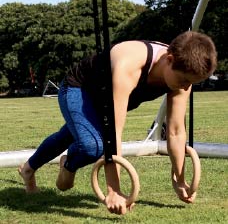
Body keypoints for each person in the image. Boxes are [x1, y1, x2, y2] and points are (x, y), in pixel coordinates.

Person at [18, 31, 217, 215]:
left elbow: (175, 132)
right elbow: (114, 133)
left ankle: (28, 168)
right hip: (79, 89)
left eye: (192, 83)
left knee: (71, 135)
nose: (186, 87)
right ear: (170, 60)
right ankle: (69, 164)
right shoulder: (129, 64)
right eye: (184, 80)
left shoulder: (183, 73)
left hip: (107, 99)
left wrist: (179, 180)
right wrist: (114, 190)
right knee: (91, 146)